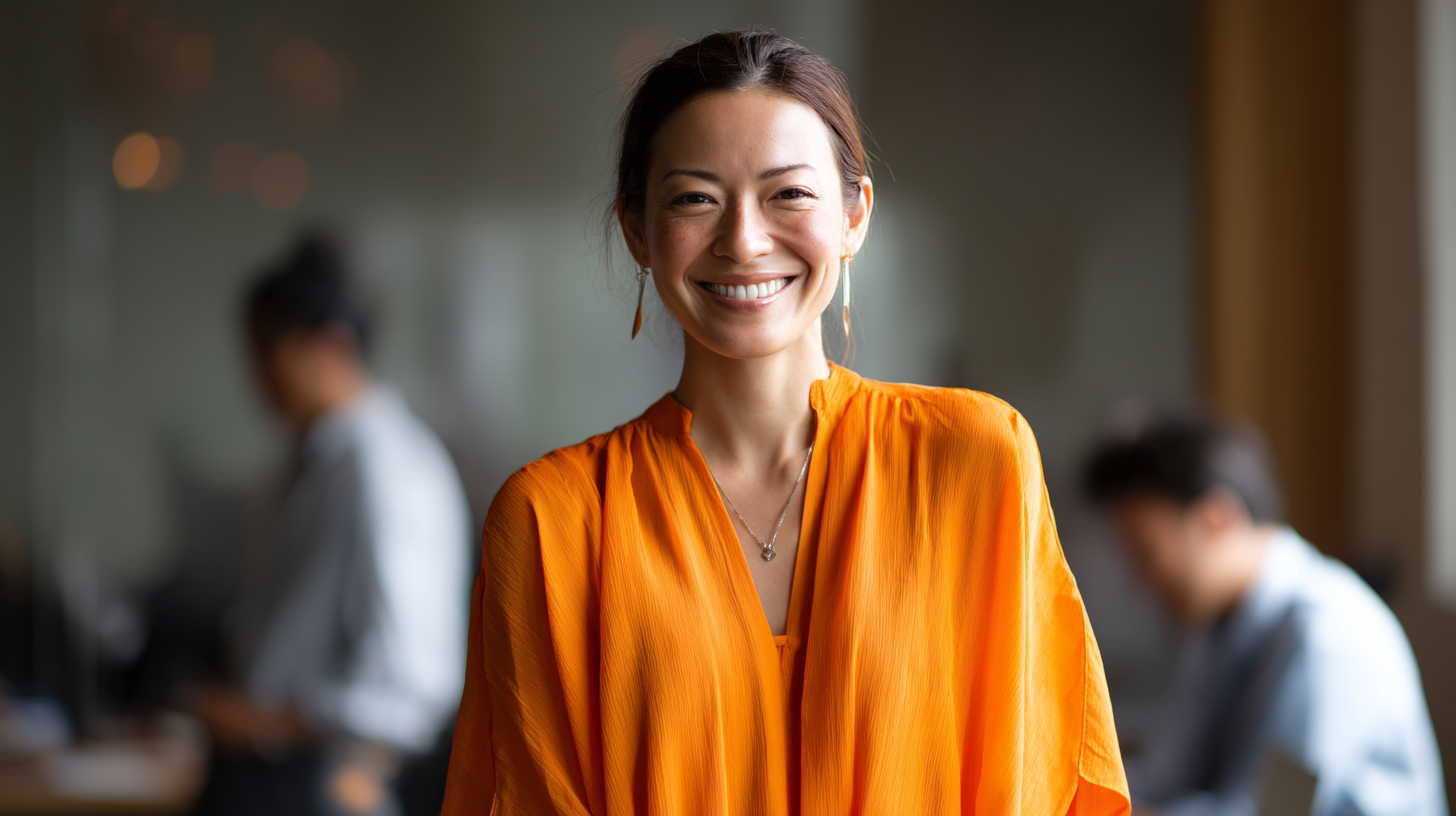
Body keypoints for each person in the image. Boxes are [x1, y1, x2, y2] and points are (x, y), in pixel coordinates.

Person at [443, 30, 1129, 815]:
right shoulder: (554, 518)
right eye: (695, 197)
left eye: (789, 194)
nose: (743, 239)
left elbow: (1045, 778)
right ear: (637, 228)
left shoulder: (975, 458)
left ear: (854, 215)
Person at [192, 236, 471, 816]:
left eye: (269, 350)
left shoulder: (388, 471)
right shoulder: (311, 463)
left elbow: (409, 687)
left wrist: (263, 720)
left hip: (332, 785)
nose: (256, 374)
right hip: (274, 776)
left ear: (332, 347)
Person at [1084, 409, 1447, 816]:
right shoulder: (1218, 627)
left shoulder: (1327, 634)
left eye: (1146, 554)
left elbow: (1269, 813)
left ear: (1217, 518)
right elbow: (1168, 779)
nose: (1140, 582)